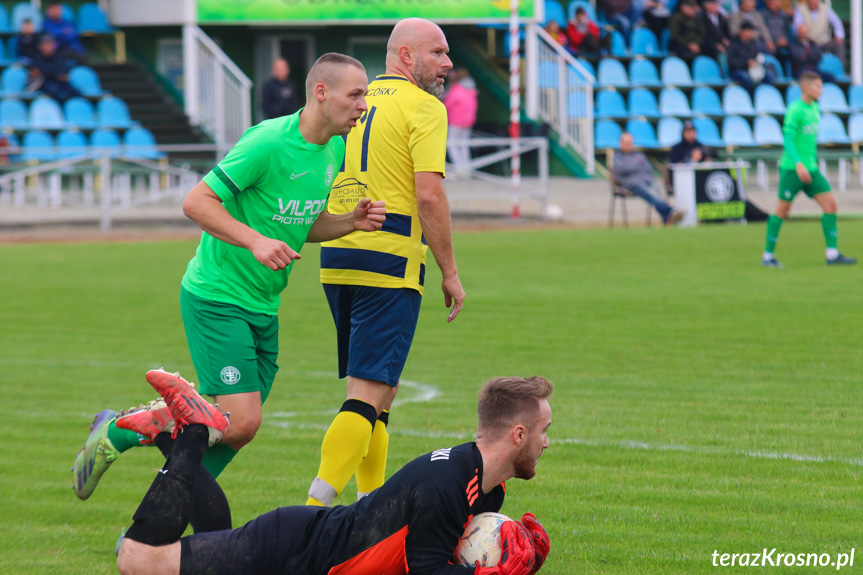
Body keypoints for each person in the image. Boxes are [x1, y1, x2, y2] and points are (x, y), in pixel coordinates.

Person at [71, 53, 387, 534]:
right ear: (321, 92)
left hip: (263, 304)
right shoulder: (267, 141)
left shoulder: (333, 153)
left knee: (221, 427)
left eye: (364, 94)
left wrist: (349, 223)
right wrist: (256, 241)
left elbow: (301, 224)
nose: (363, 104)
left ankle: (146, 505)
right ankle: (141, 490)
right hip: (217, 296)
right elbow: (196, 201)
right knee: (241, 422)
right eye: (355, 94)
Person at [116, 374, 553, 575]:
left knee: (213, 537)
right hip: (293, 554)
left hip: (306, 540)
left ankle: (168, 437)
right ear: (517, 435)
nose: (546, 442)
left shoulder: (481, 486)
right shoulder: (448, 487)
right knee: (139, 562)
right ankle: (192, 432)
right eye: (542, 431)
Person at [309, 18, 466, 508]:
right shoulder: (423, 107)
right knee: (367, 393)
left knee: (383, 393)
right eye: (438, 53)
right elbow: (429, 194)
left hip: (337, 254)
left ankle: (369, 503)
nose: (448, 63)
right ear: (405, 56)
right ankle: (310, 515)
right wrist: (450, 272)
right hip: (390, 259)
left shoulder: (352, 98)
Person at [762, 71, 855, 267]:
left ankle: (832, 254)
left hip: (811, 169)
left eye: (821, 86)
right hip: (792, 169)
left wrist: (807, 164)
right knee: (782, 211)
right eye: (817, 86)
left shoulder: (815, 109)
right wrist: (798, 164)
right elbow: (787, 140)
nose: (820, 90)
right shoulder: (795, 110)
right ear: (805, 88)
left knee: (831, 206)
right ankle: (768, 257)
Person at [613, 132, 683, 225]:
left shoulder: (639, 155)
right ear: (620, 143)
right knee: (648, 192)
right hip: (630, 184)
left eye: (629, 142)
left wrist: (633, 166)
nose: (627, 145)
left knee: (653, 192)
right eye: (625, 142)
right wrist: (637, 165)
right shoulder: (617, 157)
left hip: (647, 181)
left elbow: (648, 168)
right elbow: (623, 169)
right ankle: (670, 209)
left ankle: (667, 217)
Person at [443, 68, 478, 174]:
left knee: (452, 144)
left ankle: (458, 169)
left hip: (456, 121)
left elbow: (447, 105)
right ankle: (466, 169)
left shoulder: (456, 89)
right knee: (464, 145)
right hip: (468, 121)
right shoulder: (471, 90)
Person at [793, 0, 845, 67]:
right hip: (809, 42)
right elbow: (797, 26)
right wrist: (803, 32)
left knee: (839, 45)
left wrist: (839, 35)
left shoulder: (826, 9)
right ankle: (811, 70)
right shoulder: (801, 9)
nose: (812, 2)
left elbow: (837, 22)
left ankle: (840, 67)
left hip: (824, 41)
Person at [30, 34, 81, 102]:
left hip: (61, 82)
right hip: (46, 83)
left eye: (50, 44)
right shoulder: (37, 58)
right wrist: (55, 74)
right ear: (40, 46)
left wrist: (55, 73)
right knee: (59, 94)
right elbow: (40, 72)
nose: (49, 47)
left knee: (77, 94)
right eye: (46, 44)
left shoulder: (59, 56)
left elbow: (63, 70)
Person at [728, 22, 775, 92]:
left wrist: (757, 62)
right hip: (737, 71)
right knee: (745, 77)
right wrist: (746, 63)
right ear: (742, 32)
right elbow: (731, 62)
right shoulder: (734, 45)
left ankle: (765, 96)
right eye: (749, 31)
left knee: (769, 75)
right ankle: (750, 98)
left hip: (753, 70)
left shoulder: (753, 45)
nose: (752, 33)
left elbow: (758, 57)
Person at [762, 0, 792, 66]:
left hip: (783, 42)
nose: (772, 2)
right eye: (770, 1)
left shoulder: (783, 15)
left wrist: (785, 40)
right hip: (769, 43)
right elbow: (764, 31)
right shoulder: (763, 15)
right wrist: (774, 41)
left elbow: (788, 30)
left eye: (774, 1)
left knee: (794, 51)